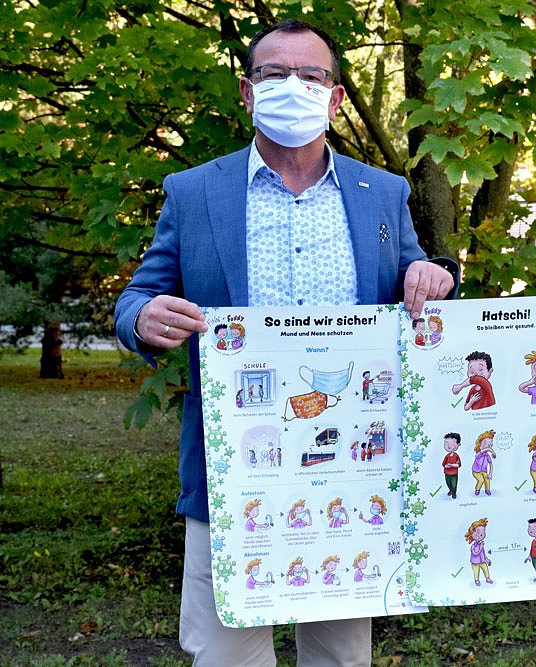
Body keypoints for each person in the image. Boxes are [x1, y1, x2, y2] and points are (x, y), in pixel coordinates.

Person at [113, 19, 457, 666]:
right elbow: (137, 297)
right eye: (273, 74)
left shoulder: (382, 193)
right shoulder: (194, 191)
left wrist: (433, 275)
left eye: (311, 75)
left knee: (341, 655)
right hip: (232, 465)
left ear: (336, 98)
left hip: (352, 463)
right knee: (226, 655)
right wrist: (141, 318)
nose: (291, 86)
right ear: (247, 92)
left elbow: (416, 280)